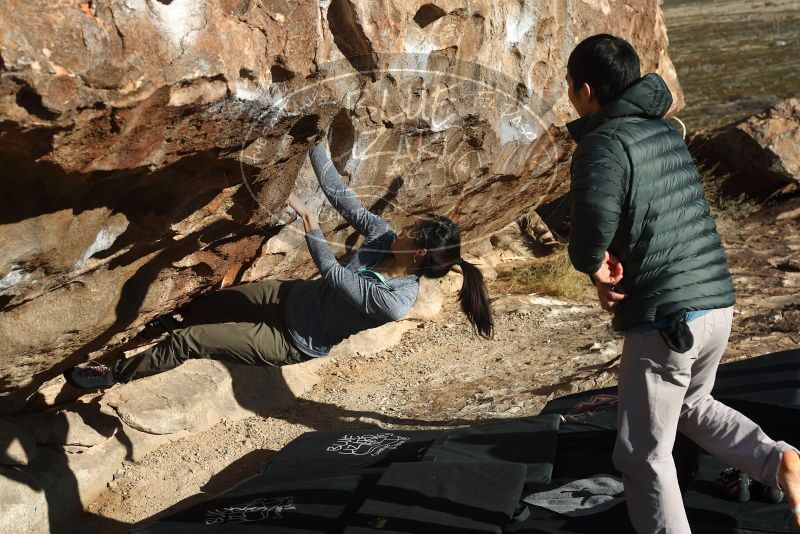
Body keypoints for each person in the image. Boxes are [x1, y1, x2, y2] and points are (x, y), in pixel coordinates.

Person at [563, 34, 800, 532]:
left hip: (668, 318)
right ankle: (777, 462)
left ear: (585, 89)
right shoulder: (663, 131)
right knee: (692, 405)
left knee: (641, 454)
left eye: (568, 84)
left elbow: (593, 223)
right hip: (714, 303)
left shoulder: (602, 142)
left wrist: (591, 265)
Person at [66, 142, 493, 389]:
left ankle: (112, 375)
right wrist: (314, 142)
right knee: (205, 307)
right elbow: (342, 196)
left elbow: (336, 275)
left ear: (418, 254)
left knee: (190, 341)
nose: (402, 227)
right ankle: (159, 331)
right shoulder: (383, 238)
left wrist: (311, 224)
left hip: (291, 340)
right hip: (288, 297)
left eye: (412, 231)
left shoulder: (396, 301)